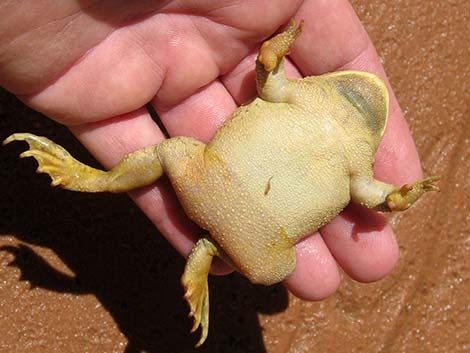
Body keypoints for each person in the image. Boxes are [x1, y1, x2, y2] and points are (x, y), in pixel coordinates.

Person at [0, 1, 423, 300]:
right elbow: (377, 195)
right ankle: (126, 197)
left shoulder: (342, 147)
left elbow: (378, 196)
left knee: (180, 155)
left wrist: (398, 198)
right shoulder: (310, 110)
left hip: (236, 212)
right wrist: (398, 197)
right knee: (275, 265)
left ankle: (126, 196)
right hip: (237, 217)